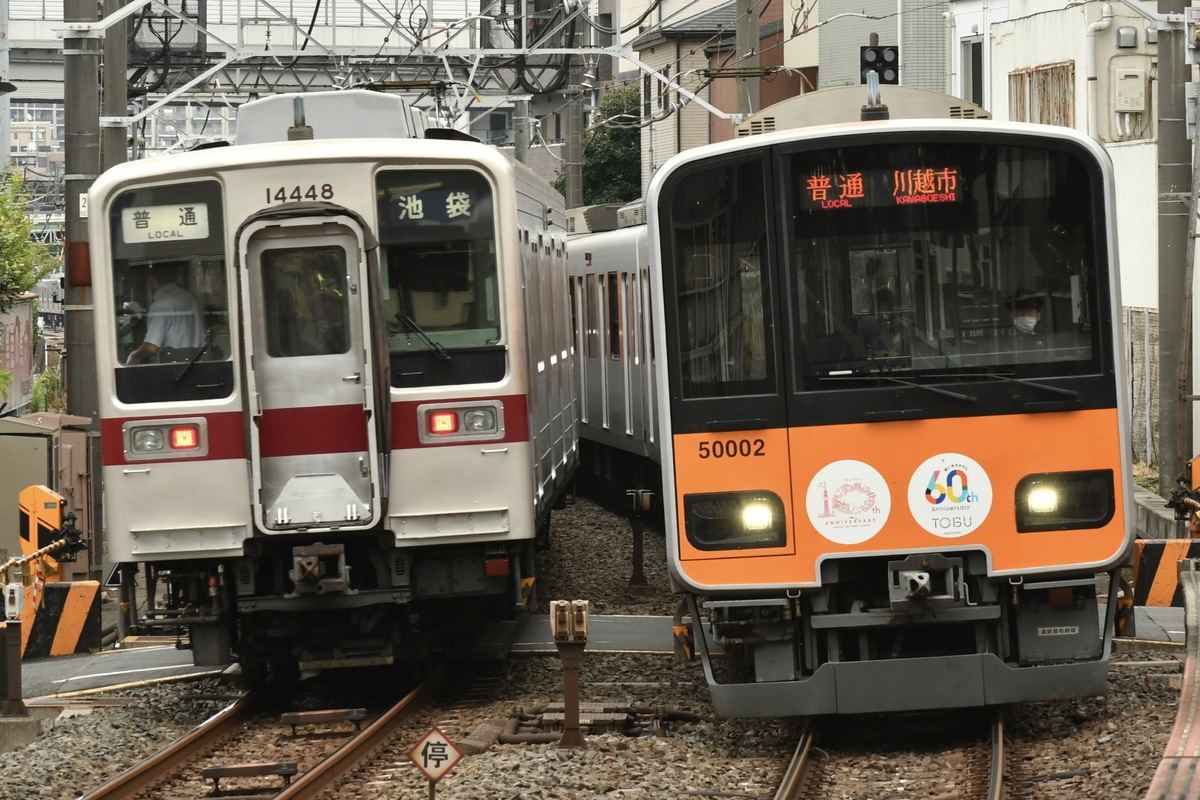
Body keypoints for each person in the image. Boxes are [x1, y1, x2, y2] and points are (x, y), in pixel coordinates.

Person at [126, 263, 205, 364]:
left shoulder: (161, 304)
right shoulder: (191, 298)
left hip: (171, 368)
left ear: (152, 278)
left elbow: (151, 347)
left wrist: (133, 356)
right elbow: (176, 325)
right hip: (196, 364)